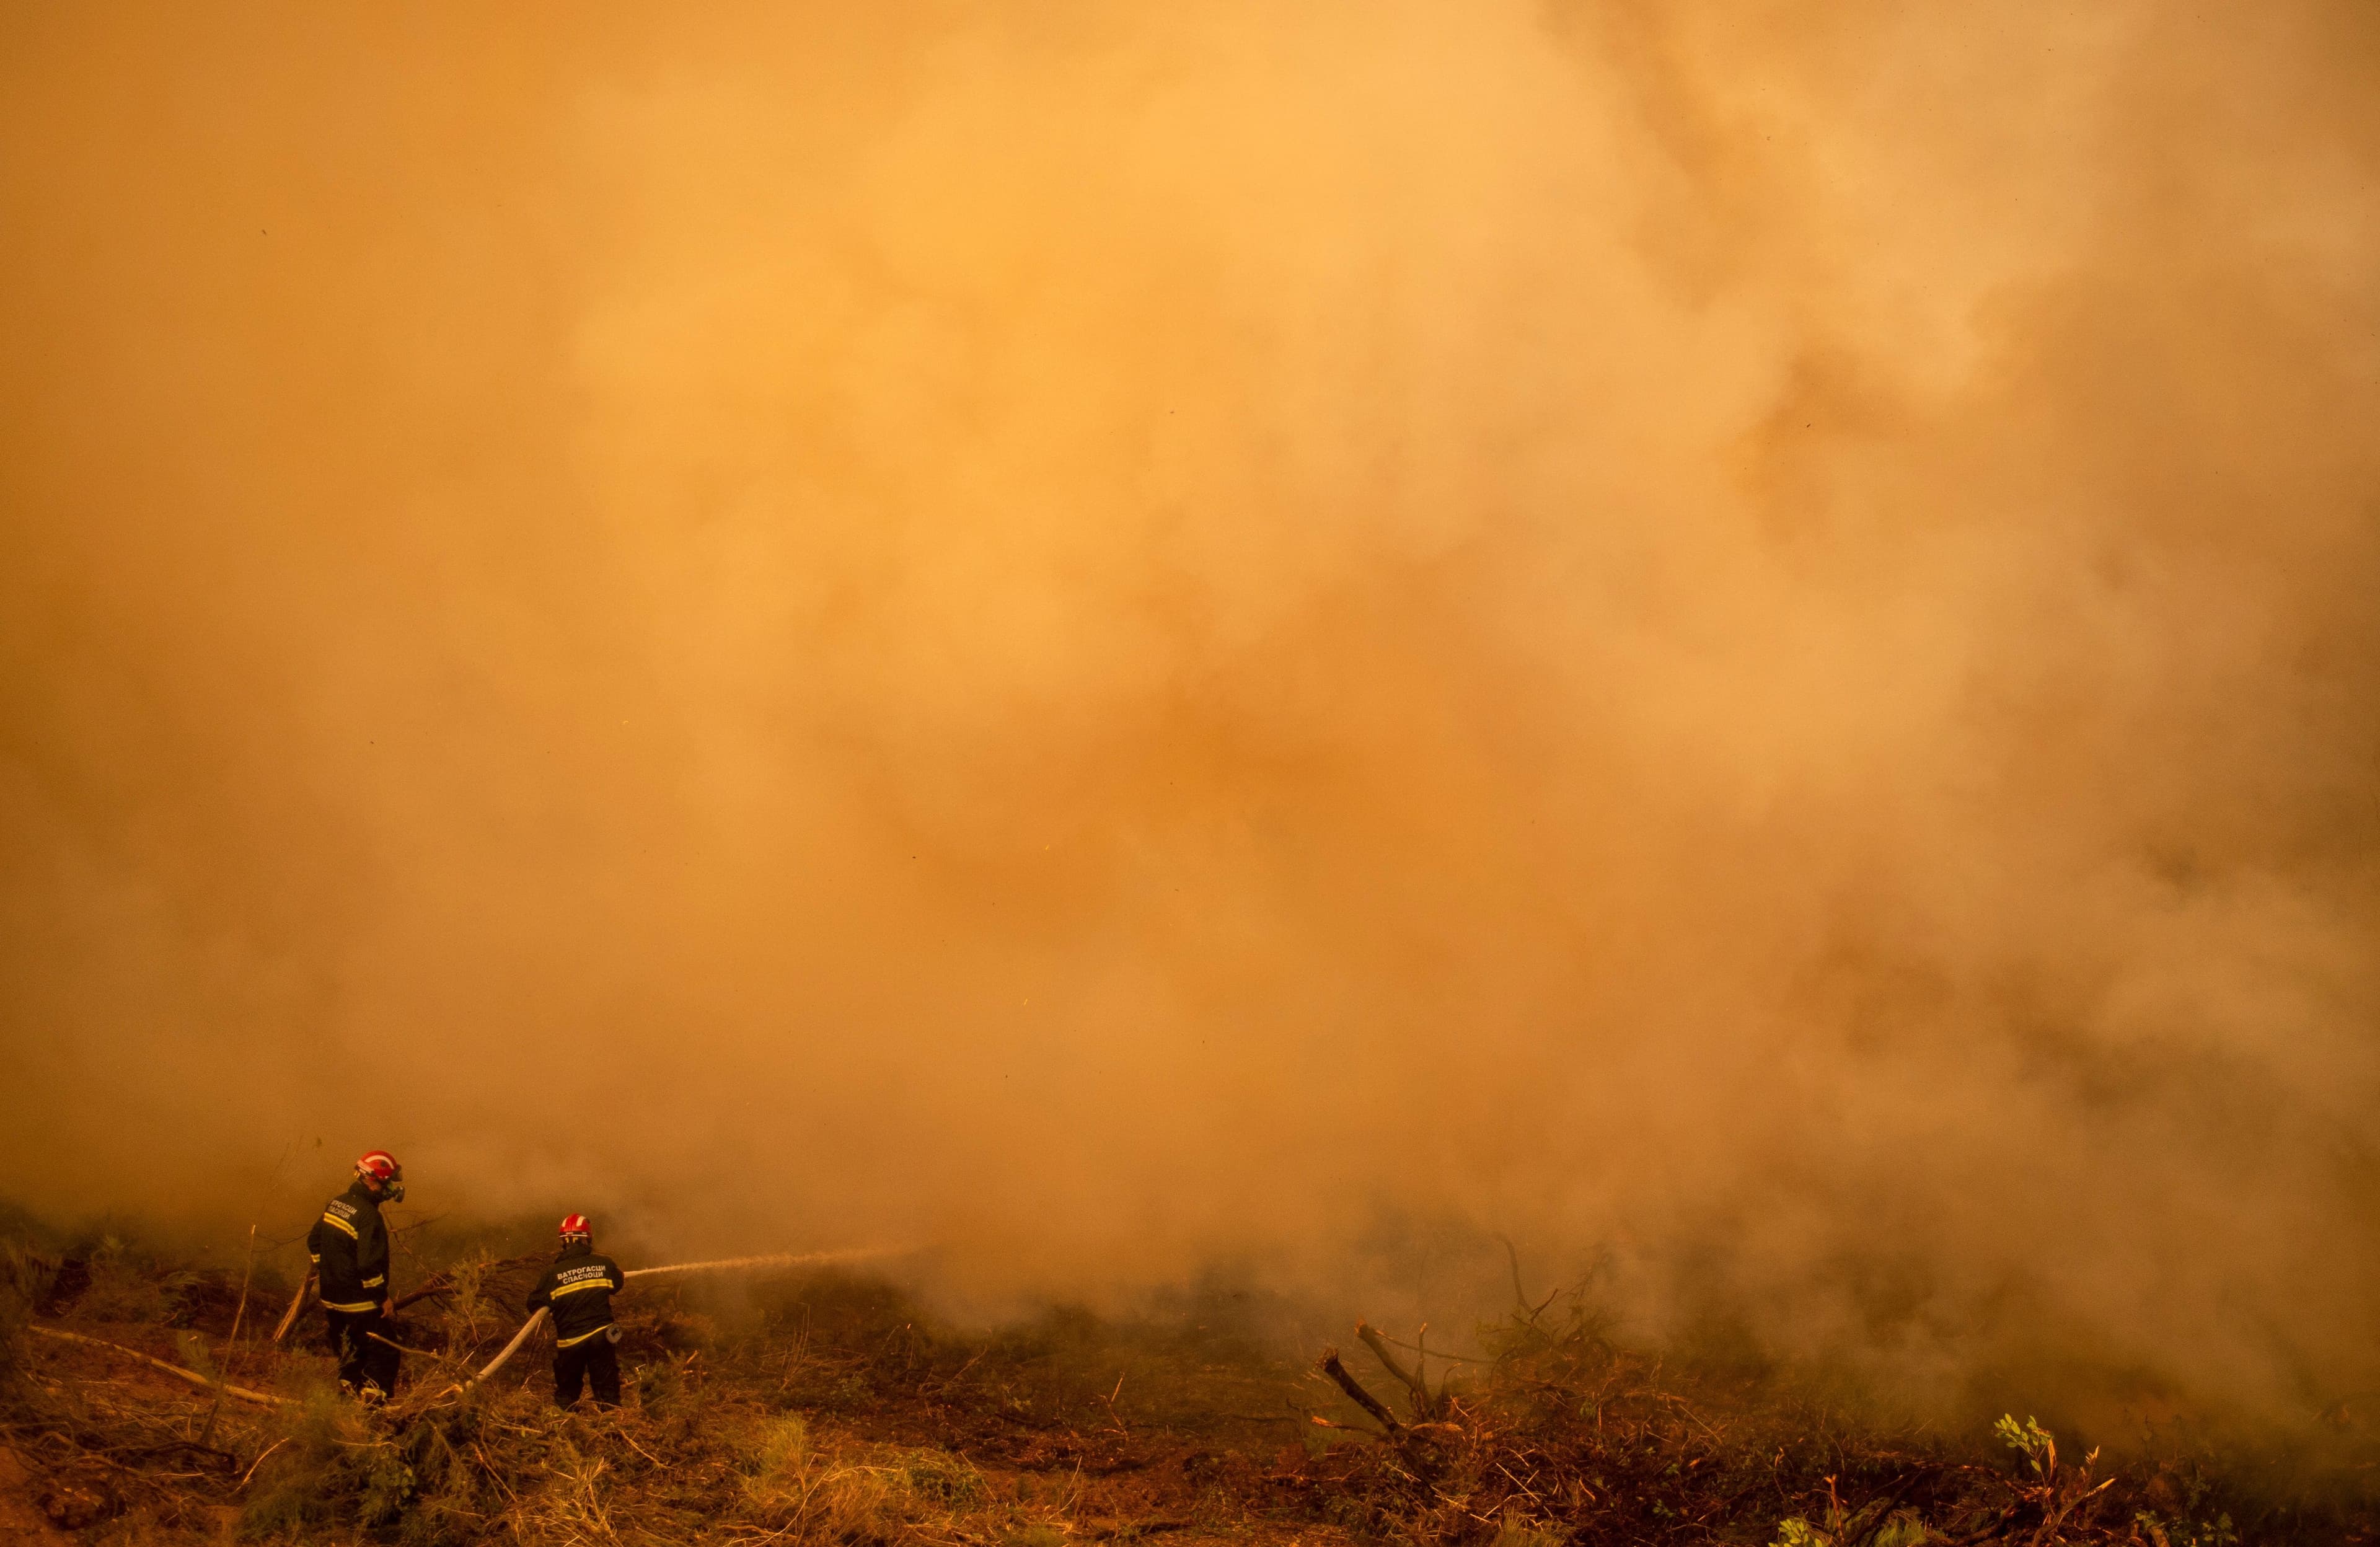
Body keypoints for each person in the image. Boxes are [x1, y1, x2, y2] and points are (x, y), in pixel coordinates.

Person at [307, 1150, 405, 1399]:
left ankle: (348, 1395)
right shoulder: (369, 1217)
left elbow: (314, 1241)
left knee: (350, 1350)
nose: (391, 1189)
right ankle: (372, 1407)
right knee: (385, 1351)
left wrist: (329, 1270)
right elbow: (368, 1265)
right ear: (373, 1181)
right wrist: (382, 1299)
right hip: (359, 1302)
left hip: (331, 1298)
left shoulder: (337, 1203)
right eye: (388, 1182)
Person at [526, 1214, 626, 1409]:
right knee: (608, 1394)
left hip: (571, 1343)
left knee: (567, 1395)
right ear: (588, 1238)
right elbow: (617, 1283)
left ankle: (566, 1423)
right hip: (602, 1337)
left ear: (563, 1243)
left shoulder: (552, 1274)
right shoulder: (605, 1264)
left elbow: (534, 1303)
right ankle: (612, 1423)